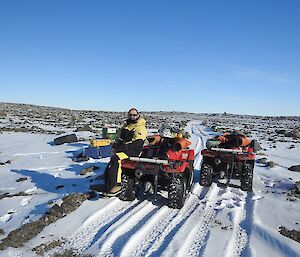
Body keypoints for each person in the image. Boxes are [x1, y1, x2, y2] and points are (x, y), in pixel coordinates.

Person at [103, 108, 147, 196]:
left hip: (133, 150)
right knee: (113, 158)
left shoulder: (140, 127)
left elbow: (137, 144)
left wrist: (120, 147)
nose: (132, 117)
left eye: (134, 115)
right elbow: (120, 138)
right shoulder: (126, 125)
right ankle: (108, 181)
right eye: (130, 115)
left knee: (116, 158)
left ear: (138, 115)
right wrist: (115, 144)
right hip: (125, 148)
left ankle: (116, 185)